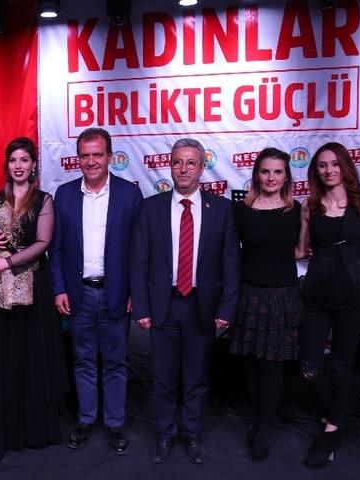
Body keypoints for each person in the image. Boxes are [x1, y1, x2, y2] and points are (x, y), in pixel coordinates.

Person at [130, 138, 240, 466]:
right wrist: (143, 307)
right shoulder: (151, 208)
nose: (184, 169)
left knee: (196, 377)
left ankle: (191, 432)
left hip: (202, 308)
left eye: (191, 163)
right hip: (165, 305)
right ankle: (165, 433)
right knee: (163, 377)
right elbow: (139, 262)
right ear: (170, 165)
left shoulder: (221, 209)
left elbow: (231, 262)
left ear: (202, 167)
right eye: (178, 162)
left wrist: (226, 309)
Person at [0, 137, 67, 464]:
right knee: (3, 358)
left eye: (25, 160)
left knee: (30, 356)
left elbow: (43, 242)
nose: (19, 165)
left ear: (33, 165)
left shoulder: (44, 200)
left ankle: (32, 430)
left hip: (32, 289)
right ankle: (6, 428)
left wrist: (8, 262)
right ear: (8, 165)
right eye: (13, 160)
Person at [48, 127, 142, 455]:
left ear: (110, 157)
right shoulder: (65, 195)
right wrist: (59, 289)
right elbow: (55, 249)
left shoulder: (130, 195)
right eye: (85, 155)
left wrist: (136, 292)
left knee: (115, 362)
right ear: (78, 158)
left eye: (97, 155)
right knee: (83, 360)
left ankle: (115, 423)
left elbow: (137, 251)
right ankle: (87, 419)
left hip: (116, 292)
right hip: (79, 294)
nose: (91, 161)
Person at [297, 142, 360, 469]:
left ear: (344, 166)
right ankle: (332, 417)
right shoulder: (309, 206)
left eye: (334, 164)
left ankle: (331, 429)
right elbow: (301, 250)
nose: (328, 170)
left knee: (342, 367)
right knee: (309, 368)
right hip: (316, 293)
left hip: (353, 294)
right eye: (322, 165)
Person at [229, 148, 302, 461]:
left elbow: (301, 250)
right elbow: (232, 252)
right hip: (250, 292)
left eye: (278, 172)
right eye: (265, 171)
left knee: (273, 366)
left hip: (282, 294)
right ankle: (258, 416)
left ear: (286, 176)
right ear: (256, 174)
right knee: (250, 362)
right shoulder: (241, 209)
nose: (271, 178)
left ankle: (264, 427)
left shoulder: (296, 209)